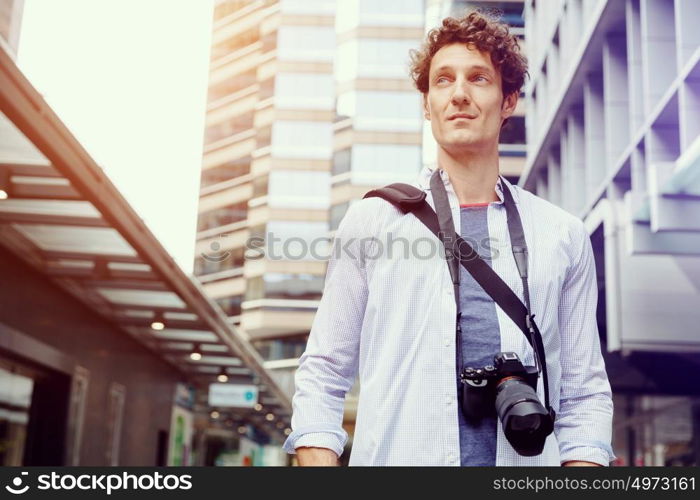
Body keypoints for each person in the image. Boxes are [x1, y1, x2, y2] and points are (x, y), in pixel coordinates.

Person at [282, 10, 615, 466]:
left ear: (509, 99)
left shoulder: (562, 235)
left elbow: (584, 392)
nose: (459, 94)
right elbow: (323, 372)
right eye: (443, 80)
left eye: (478, 78)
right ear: (426, 104)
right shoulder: (373, 222)